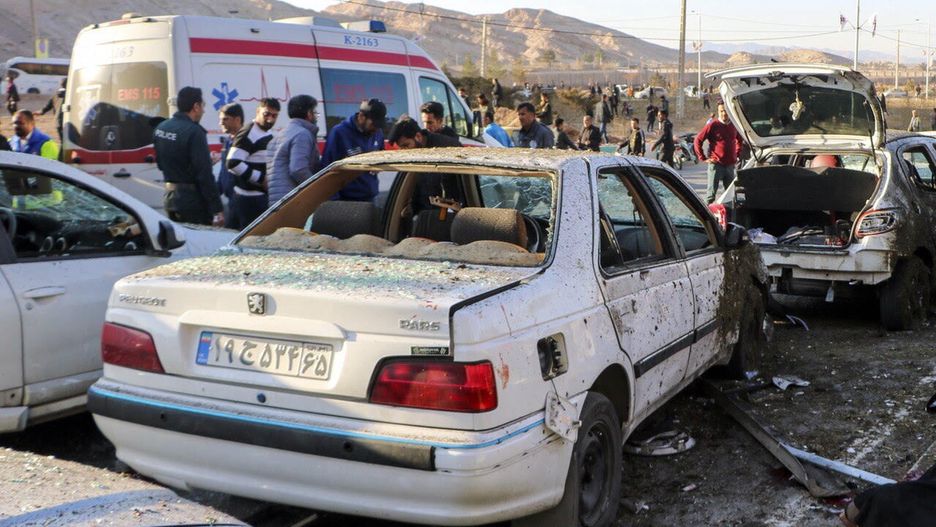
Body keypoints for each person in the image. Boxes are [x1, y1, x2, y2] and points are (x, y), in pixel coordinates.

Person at [153, 87, 224, 226]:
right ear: (196, 106)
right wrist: (217, 209)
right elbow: (204, 175)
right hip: (192, 202)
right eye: (202, 106)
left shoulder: (161, 127)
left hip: (170, 197)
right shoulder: (194, 132)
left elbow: (161, 163)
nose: (203, 110)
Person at [225, 98, 279, 229]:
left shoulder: (266, 131)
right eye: (266, 114)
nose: (270, 119)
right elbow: (232, 163)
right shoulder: (249, 132)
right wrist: (261, 179)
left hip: (258, 197)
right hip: (248, 200)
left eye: (274, 115)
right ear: (258, 111)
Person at [387, 118, 462, 212]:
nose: (404, 151)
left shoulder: (446, 148)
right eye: (401, 147)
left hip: (447, 210)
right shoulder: (413, 152)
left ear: (418, 136)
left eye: (406, 145)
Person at [321, 98, 386, 201]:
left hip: (371, 196)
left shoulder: (378, 133)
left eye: (378, 126)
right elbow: (327, 170)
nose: (376, 129)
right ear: (361, 117)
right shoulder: (339, 133)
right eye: (373, 124)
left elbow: (382, 154)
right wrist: (334, 202)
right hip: (347, 200)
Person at [267, 95, 320, 204]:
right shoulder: (302, 134)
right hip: (293, 202)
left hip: (276, 201)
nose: (316, 116)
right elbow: (298, 169)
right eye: (315, 113)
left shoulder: (278, 136)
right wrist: (316, 187)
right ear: (309, 114)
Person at [694, 102, 743, 204]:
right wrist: (703, 157)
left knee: (729, 196)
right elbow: (698, 140)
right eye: (721, 111)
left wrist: (737, 155)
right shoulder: (712, 125)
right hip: (716, 165)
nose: (724, 113)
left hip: (730, 166)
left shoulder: (734, 125)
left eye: (726, 111)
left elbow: (739, 140)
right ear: (718, 112)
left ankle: (728, 217)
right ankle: (706, 217)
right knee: (710, 195)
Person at [216, 103, 244, 228]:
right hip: (230, 200)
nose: (221, 123)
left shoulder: (246, 141)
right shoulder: (228, 142)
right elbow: (224, 171)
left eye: (225, 119)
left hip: (242, 200)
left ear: (237, 120)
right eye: (220, 120)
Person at [39, 78, 66, 143]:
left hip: (57, 122)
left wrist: (41, 112)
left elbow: (47, 107)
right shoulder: (69, 95)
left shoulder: (55, 95)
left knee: (63, 142)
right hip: (67, 122)